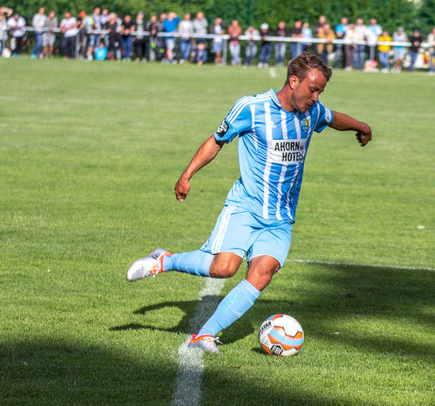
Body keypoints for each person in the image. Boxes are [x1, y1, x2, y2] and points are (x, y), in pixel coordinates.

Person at [125, 52, 372, 353]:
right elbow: (216, 141)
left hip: (281, 216)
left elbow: (334, 119)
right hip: (246, 206)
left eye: (320, 91)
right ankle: (164, 261)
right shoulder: (252, 108)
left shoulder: (312, 112)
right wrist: (187, 174)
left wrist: (361, 126)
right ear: (294, 81)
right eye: (313, 89)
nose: (316, 96)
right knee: (224, 268)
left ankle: (204, 336)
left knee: (262, 273)